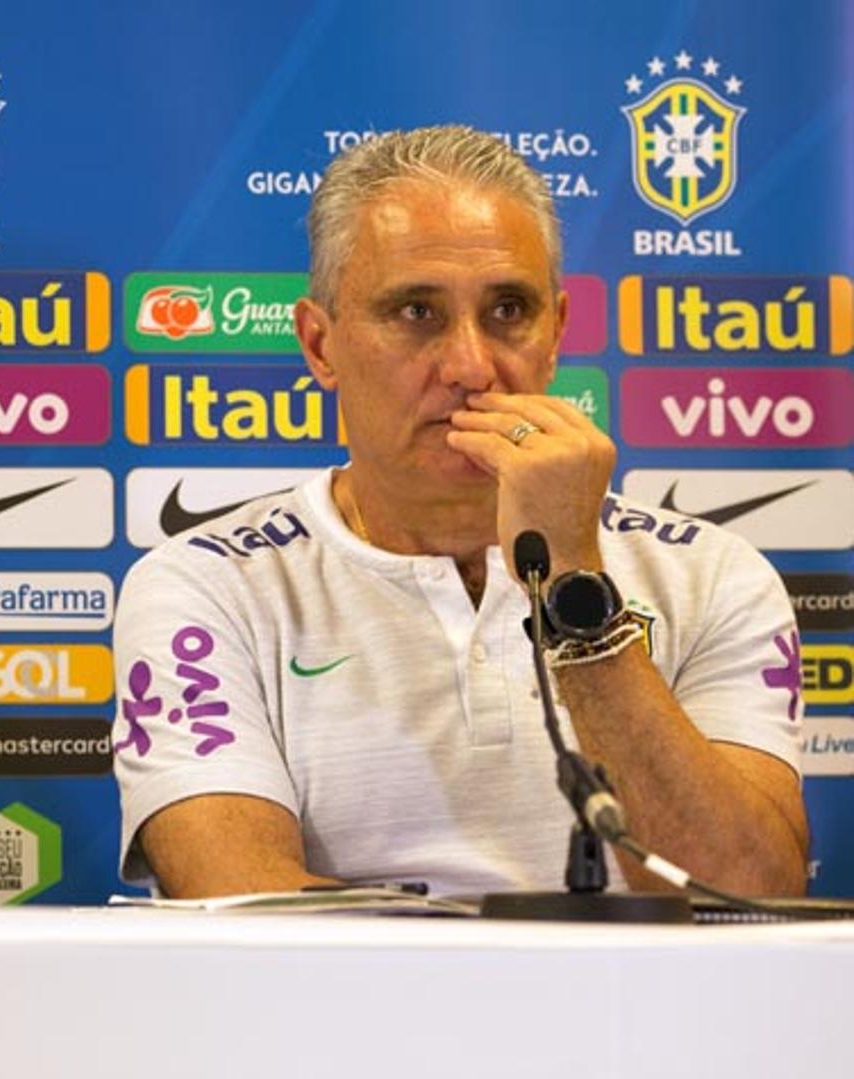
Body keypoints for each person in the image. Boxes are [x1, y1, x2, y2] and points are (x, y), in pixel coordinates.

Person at [112, 125, 807, 899]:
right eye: (416, 312)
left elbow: (746, 894)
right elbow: (237, 897)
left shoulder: (713, 574)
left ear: (555, 337)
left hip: (629, 1020)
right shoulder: (207, 586)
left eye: (509, 308)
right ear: (320, 345)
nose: (473, 366)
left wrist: (574, 582)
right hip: (340, 1021)